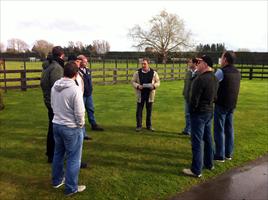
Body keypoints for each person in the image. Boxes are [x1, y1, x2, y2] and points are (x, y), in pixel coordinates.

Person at [51, 61, 86, 196]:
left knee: (58, 154)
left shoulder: (55, 86)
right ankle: (71, 188)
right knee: (73, 158)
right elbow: (79, 112)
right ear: (76, 74)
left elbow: (53, 104)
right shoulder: (75, 89)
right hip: (71, 127)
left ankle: (57, 180)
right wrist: (80, 124)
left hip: (57, 124)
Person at [182, 55, 218, 178]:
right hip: (209, 112)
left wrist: (192, 112)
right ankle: (209, 164)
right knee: (208, 139)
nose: (198, 64)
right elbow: (215, 97)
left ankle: (196, 170)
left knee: (197, 142)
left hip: (199, 114)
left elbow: (194, 99)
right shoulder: (214, 78)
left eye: (201, 62)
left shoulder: (200, 79)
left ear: (206, 64)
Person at [214, 51, 241, 162]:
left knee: (219, 130)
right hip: (232, 104)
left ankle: (220, 155)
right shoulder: (238, 72)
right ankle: (228, 154)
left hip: (221, 104)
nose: (220, 60)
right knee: (229, 129)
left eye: (221, 57)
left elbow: (212, 83)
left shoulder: (221, 71)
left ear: (225, 59)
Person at [40, 46, 65, 163]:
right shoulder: (56, 68)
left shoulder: (47, 66)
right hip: (54, 103)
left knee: (52, 127)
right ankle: (52, 154)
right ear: (61, 55)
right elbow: (58, 87)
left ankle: (51, 152)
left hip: (48, 100)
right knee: (55, 129)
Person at [131, 58, 160, 132]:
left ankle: (149, 126)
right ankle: (139, 126)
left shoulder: (154, 73)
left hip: (150, 95)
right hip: (140, 94)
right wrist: (138, 86)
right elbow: (133, 81)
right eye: (142, 64)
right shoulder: (137, 73)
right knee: (139, 111)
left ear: (148, 64)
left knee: (149, 111)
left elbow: (158, 82)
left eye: (145, 64)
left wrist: (154, 86)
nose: (143, 65)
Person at [77, 54, 104, 132]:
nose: (86, 63)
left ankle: (93, 124)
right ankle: (81, 127)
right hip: (81, 94)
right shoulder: (76, 71)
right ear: (80, 61)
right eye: (84, 61)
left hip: (89, 94)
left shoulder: (88, 70)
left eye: (86, 61)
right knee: (81, 111)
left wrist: (91, 88)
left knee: (90, 109)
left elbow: (89, 81)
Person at [181, 58, 198, 135]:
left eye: (190, 62)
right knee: (187, 114)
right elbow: (186, 84)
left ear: (195, 64)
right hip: (187, 97)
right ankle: (187, 130)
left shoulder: (199, 73)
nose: (188, 64)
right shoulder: (188, 73)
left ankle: (194, 131)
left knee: (195, 115)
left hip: (195, 99)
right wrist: (184, 93)